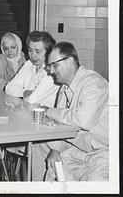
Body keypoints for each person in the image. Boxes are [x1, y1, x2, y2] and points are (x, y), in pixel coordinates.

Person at [32, 42, 109, 181]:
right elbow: (62, 124)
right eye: (49, 66)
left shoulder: (94, 83)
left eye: (54, 65)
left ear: (70, 61)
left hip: (104, 152)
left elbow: (84, 120)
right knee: (44, 158)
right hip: (78, 149)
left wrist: (49, 111)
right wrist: (55, 149)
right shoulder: (64, 88)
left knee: (95, 183)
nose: (50, 71)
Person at [5, 31, 59, 107]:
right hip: (27, 111)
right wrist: (24, 92)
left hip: (45, 116)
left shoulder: (52, 72)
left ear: (48, 52)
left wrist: (22, 93)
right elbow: (8, 88)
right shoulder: (28, 64)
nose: (33, 56)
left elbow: (32, 99)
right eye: (30, 50)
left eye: (38, 51)